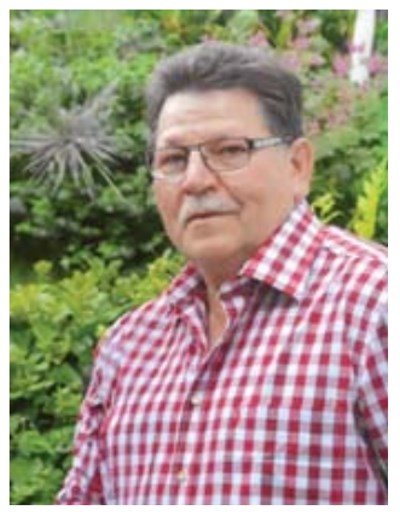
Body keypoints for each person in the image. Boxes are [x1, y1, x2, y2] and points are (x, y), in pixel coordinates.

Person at [56, 42, 387, 505]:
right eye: (174, 160)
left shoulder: (374, 308)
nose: (195, 180)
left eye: (230, 150)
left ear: (297, 167)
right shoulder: (129, 347)